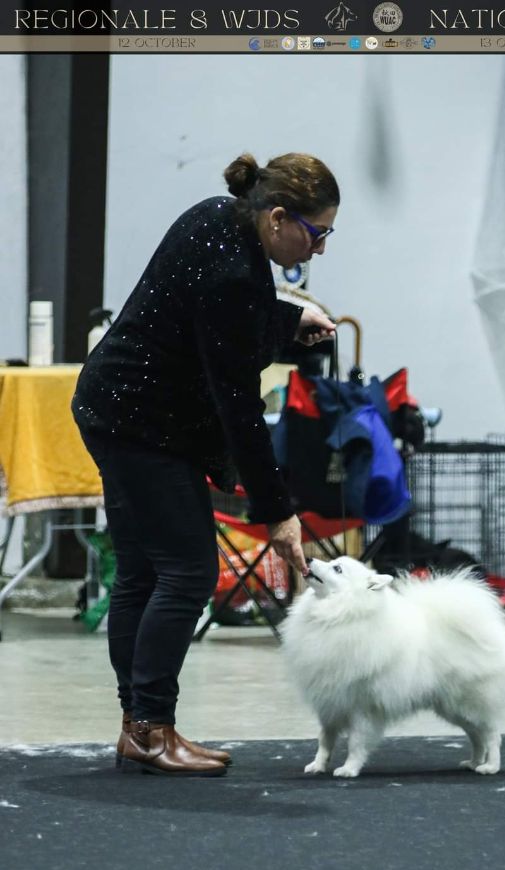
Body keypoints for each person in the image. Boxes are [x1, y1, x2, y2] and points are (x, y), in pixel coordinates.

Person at [72, 152, 339, 777]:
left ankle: (138, 727)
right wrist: (278, 512)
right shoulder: (233, 268)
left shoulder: (219, 217)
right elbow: (239, 404)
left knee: (143, 571)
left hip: (115, 409)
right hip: (141, 426)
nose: (321, 249)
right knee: (189, 573)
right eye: (317, 232)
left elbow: (226, 319)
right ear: (278, 218)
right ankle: (152, 727)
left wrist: (292, 317)